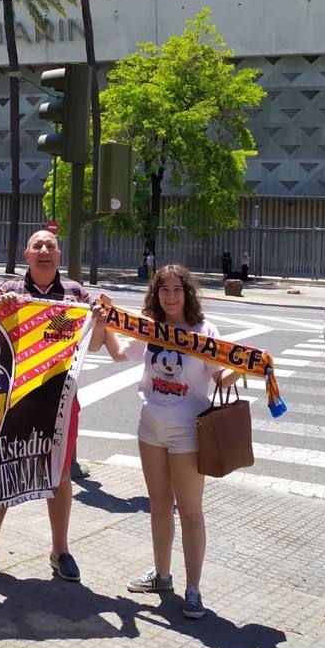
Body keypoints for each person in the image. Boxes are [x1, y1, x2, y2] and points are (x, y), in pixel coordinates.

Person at [0, 229, 111, 585]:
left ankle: (60, 550)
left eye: (50, 246)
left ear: (60, 255)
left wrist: (101, 319)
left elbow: (94, 346)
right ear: (26, 254)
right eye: (38, 246)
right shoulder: (9, 292)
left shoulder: (77, 294)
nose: (45, 250)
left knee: (60, 474)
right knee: (2, 469)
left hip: (60, 397)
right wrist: (0, 315)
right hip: (13, 395)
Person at [109, 265, 242, 621]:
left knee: (190, 510)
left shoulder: (204, 330)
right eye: (163, 289)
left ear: (187, 293)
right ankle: (162, 575)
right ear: (156, 294)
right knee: (158, 504)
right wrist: (103, 323)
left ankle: (193, 589)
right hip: (150, 427)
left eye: (176, 289)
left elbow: (221, 377)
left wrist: (244, 365)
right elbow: (121, 354)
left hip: (188, 432)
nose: (170, 295)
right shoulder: (150, 328)